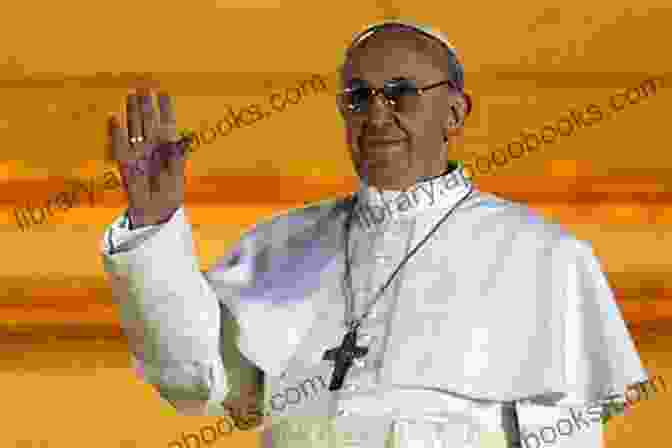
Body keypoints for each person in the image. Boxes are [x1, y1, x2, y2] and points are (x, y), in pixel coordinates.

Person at [101, 19, 648, 448]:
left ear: (455, 112)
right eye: (358, 97)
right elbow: (192, 380)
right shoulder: (278, 245)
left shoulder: (547, 257)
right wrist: (155, 227)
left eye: (401, 92)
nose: (377, 115)